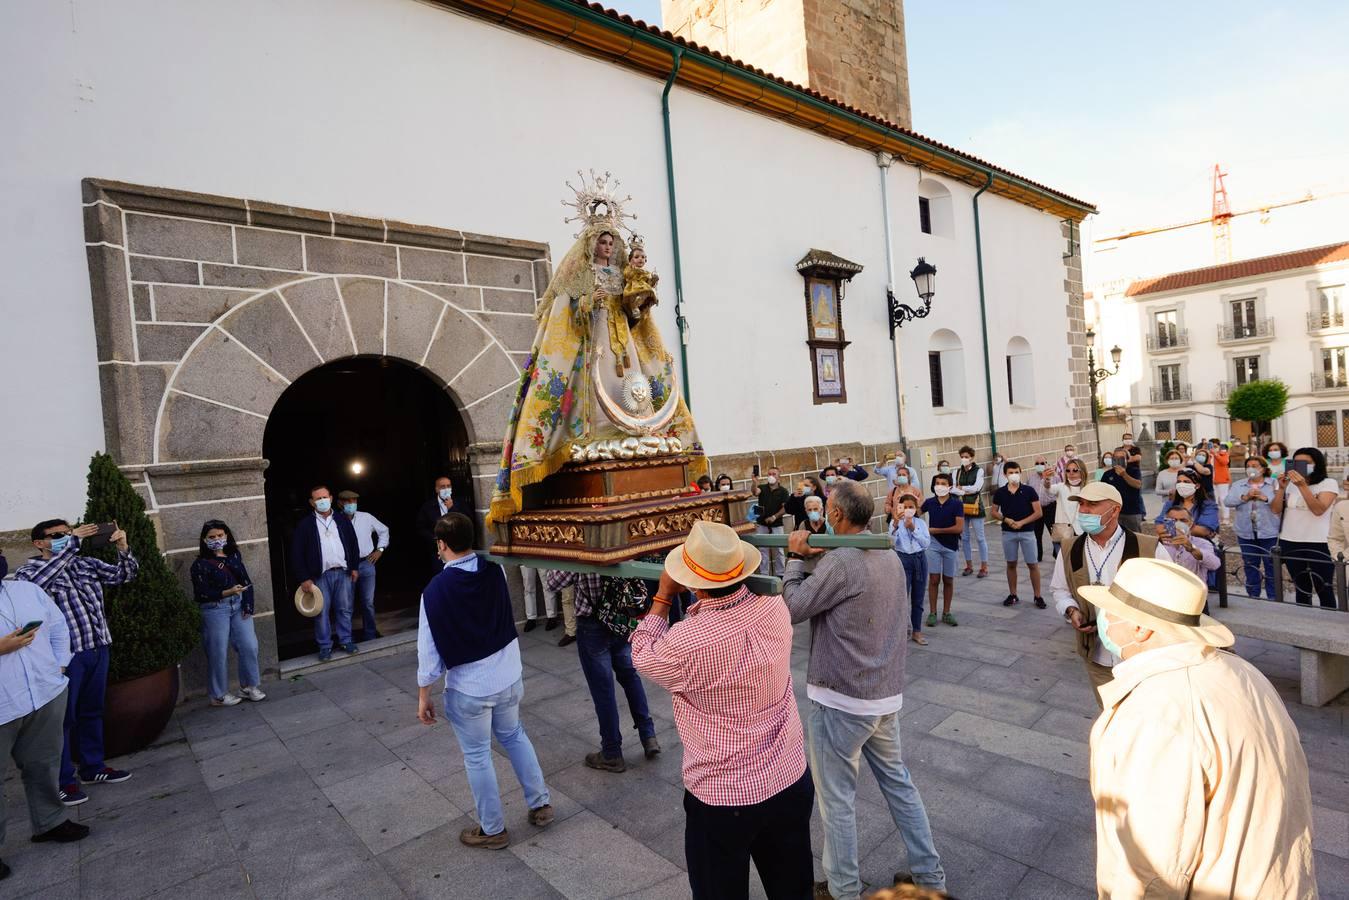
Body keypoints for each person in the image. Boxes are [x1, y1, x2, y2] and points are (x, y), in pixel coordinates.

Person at [1086, 558, 1316, 897]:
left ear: (1140, 629)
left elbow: (1149, 869)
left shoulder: (1156, 712)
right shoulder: (1242, 672)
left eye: (1110, 610)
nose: (1102, 617)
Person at [632, 521, 813, 900]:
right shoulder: (773, 607)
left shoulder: (686, 641)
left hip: (723, 794)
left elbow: (642, 655)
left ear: (693, 583)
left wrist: (663, 597)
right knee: (793, 888)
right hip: (788, 776)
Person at [783, 481, 945, 899]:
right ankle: (931, 878)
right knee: (900, 786)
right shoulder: (886, 552)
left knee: (836, 801)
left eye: (826, 510)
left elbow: (793, 608)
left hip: (841, 698)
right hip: (884, 696)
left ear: (835, 515)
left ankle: (843, 890)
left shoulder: (843, 561)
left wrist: (794, 559)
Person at [416, 513, 553, 849]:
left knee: (477, 756)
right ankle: (540, 803)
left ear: (441, 544)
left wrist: (424, 695)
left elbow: (429, 654)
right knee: (515, 735)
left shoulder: (434, 591)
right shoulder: (493, 571)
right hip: (507, 676)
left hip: (469, 687)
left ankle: (493, 829)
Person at [16, 520, 137, 806]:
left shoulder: (83, 564)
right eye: (58, 536)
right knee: (61, 721)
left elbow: (125, 575)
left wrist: (123, 548)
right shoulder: (29, 571)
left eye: (68, 532)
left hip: (97, 647)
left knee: (91, 711)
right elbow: (37, 587)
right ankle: (62, 782)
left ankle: (93, 768)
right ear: (38, 543)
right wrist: (72, 544)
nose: (66, 538)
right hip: (65, 658)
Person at [0, 554, 91, 877]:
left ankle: (49, 822)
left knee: (44, 764)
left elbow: (58, 625)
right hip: (3, 704)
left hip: (43, 693)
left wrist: (59, 666)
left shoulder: (24, 590)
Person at [1049, 482, 1168, 707]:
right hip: (1097, 657)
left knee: (1143, 717)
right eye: (1081, 504)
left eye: (1092, 504)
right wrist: (1071, 610)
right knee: (1110, 715)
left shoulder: (1149, 548)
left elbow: (1169, 596)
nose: (1083, 510)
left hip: (1141, 657)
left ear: (1114, 510)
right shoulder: (1069, 549)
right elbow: (1059, 589)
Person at [544, 569, 659, 771]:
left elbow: (553, 582)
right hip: (621, 620)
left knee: (603, 690)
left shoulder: (583, 549)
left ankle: (612, 752)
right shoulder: (619, 540)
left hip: (593, 626)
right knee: (630, 677)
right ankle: (648, 736)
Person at [190, 520, 266, 707]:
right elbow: (201, 594)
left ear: (227, 536)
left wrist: (248, 604)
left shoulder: (233, 556)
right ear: (204, 539)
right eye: (212, 537)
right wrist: (226, 592)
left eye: (220, 535)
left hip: (238, 605)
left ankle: (249, 686)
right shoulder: (200, 565)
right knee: (218, 650)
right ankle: (219, 694)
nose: (217, 539)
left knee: (249, 645)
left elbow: (246, 580)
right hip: (215, 608)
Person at [290, 485, 362, 661]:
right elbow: (297, 553)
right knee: (321, 612)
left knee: (344, 609)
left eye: (324, 497)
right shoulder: (306, 525)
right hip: (319, 576)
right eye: (317, 499)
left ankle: (346, 640)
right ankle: (325, 646)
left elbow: (353, 544)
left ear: (330, 498)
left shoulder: (342, 519)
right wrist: (304, 578)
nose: (322, 501)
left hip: (343, 572)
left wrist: (354, 567)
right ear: (311, 502)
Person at [1273, 446, 1339, 608]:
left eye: (1306, 463)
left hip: (1318, 541)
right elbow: (1275, 510)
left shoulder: (1328, 483)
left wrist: (1303, 486)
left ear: (1317, 464)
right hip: (1290, 540)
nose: (1300, 466)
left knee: (1323, 585)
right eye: (1296, 463)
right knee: (1301, 586)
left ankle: (1329, 618)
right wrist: (1281, 488)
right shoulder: (1287, 484)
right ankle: (1303, 617)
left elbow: (1318, 510)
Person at [1225, 456, 1280, 599]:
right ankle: (1253, 595)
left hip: (1269, 531)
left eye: (1255, 465)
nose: (1251, 468)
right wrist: (1244, 497)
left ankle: (1273, 596)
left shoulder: (1273, 484)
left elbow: (1281, 504)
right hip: (1246, 532)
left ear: (1263, 468)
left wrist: (1265, 498)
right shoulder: (1239, 485)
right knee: (1250, 564)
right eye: (1248, 465)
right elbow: (1228, 501)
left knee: (1271, 565)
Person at [338, 490, 389, 642]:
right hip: (346, 566)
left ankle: (370, 635)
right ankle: (347, 638)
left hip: (367, 563)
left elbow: (384, 530)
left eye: (354, 501)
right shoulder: (336, 520)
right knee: (346, 605)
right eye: (347, 502)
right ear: (340, 503)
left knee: (368, 603)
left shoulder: (366, 517)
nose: (351, 504)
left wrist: (380, 550)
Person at [991, 460, 1044, 608]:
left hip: (1027, 532)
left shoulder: (1029, 491)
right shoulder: (1001, 492)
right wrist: (1005, 519)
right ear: (1005, 475)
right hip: (1008, 533)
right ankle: (1013, 594)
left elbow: (1038, 512)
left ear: (1020, 473)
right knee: (1011, 563)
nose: (1014, 475)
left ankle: (1038, 596)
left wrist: (1022, 523)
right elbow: (994, 512)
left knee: (1032, 564)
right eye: (1010, 473)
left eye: (1016, 472)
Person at [921, 473, 964, 628]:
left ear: (950, 486)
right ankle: (932, 613)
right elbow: (915, 512)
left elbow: (959, 527)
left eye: (943, 483)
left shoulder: (956, 504)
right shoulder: (930, 502)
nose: (940, 485)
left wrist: (935, 530)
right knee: (933, 580)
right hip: (933, 545)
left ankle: (946, 612)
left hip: (950, 546)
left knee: (948, 580)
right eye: (937, 483)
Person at [890, 494, 931, 645]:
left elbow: (926, 543)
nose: (908, 510)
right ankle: (901, 631)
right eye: (904, 507)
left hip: (919, 559)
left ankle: (917, 631)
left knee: (918, 597)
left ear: (916, 508)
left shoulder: (920, 523)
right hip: (903, 559)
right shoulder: (895, 523)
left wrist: (913, 528)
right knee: (902, 597)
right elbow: (892, 542)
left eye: (911, 507)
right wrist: (895, 523)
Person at [1153, 469, 1219, 541]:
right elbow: (1159, 525)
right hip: (1173, 544)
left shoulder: (1208, 505)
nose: (1181, 485)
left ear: (1197, 486)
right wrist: (1188, 527)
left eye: (1186, 482)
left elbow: (1203, 530)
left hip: (1198, 545)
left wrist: (1170, 527)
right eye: (1179, 482)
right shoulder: (1170, 504)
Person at [953, 446, 988, 578]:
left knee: (980, 537)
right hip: (962, 507)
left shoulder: (979, 470)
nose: (964, 459)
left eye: (966, 457)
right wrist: (965, 490)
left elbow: (977, 488)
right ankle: (969, 565)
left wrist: (961, 488)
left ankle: (984, 567)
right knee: (965, 538)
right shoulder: (957, 472)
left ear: (972, 457)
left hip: (975, 506)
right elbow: (952, 489)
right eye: (962, 456)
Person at [1157, 506, 1220, 580]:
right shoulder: (1158, 543)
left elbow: (1214, 565)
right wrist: (1156, 543)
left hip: (1193, 588)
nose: (1178, 523)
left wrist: (1192, 549)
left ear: (1191, 524)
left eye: (1183, 520)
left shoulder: (1202, 543)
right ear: (1165, 523)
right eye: (1173, 520)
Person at [416, 475, 460, 573]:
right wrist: (435, 540)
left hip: (457, 548)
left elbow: (465, 522)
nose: (446, 489)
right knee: (441, 575)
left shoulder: (459, 503)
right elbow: (421, 528)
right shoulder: (427, 507)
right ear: (437, 489)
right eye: (443, 487)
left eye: (448, 486)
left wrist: (452, 509)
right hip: (438, 551)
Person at [751, 466, 790, 576]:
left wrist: (774, 517)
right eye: (769, 474)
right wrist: (754, 482)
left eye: (774, 474)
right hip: (762, 524)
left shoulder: (783, 491)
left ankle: (781, 574)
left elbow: (785, 507)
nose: (771, 476)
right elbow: (755, 492)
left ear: (779, 477)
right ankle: (764, 574)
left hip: (777, 524)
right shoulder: (762, 488)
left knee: (779, 550)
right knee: (763, 550)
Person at [1099, 446, 1145, 533]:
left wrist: (1124, 474)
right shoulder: (1107, 474)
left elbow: (1138, 484)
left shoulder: (1134, 471)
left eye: (1121, 458)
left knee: (1135, 537)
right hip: (1114, 512)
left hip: (1131, 512)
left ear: (1127, 459)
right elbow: (1103, 491)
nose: (1118, 460)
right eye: (1115, 458)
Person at [1025, 455, 1055, 562]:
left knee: (1054, 533)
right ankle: (1038, 555)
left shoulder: (1054, 477)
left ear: (1046, 464)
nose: (1039, 465)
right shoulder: (1030, 477)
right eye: (1037, 464)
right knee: (1037, 534)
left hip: (1050, 507)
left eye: (1042, 463)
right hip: (1036, 509)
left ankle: (1057, 554)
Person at [1210, 441, 1232, 524]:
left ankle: (1226, 518)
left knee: (1223, 498)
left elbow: (1225, 462)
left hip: (1222, 480)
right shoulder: (1208, 455)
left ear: (1219, 446)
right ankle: (1214, 517)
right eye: (1212, 446)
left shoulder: (1224, 454)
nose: (1214, 448)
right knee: (1213, 499)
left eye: (1215, 446)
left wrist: (1216, 454)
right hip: (1211, 480)